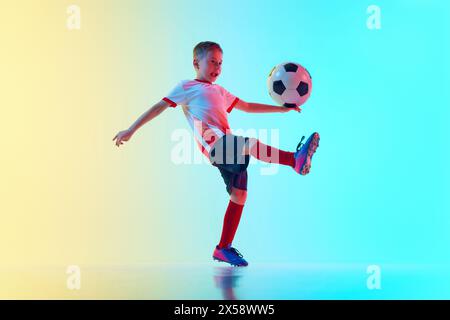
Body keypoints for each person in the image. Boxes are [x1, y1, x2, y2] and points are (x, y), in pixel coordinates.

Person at [113, 41, 320, 267]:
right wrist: (131, 129)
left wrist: (282, 109)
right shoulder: (187, 87)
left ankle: (222, 249)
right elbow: (158, 107)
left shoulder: (220, 91)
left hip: (227, 147)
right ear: (196, 62)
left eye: (220, 63)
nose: (217, 68)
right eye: (212, 61)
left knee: (239, 196)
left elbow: (248, 107)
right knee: (248, 143)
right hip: (215, 146)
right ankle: (294, 160)